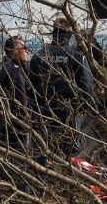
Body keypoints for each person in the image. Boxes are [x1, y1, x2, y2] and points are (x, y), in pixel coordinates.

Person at [29, 18, 96, 162]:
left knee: (45, 148)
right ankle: (69, 180)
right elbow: (86, 86)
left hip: (43, 110)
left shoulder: (38, 56)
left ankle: (44, 180)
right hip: (69, 110)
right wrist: (83, 107)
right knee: (71, 150)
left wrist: (35, 109)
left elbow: (31, 88)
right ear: (70, 34)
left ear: (53, 32)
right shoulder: (77, 56)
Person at [0, 36, 33, 151]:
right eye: (24, 47)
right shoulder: (15, 72)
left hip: (1, 125)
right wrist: (26, 124)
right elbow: (21, 102)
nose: (27, 50)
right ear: (14, 51)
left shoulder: (2, 68)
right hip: (16, 128)